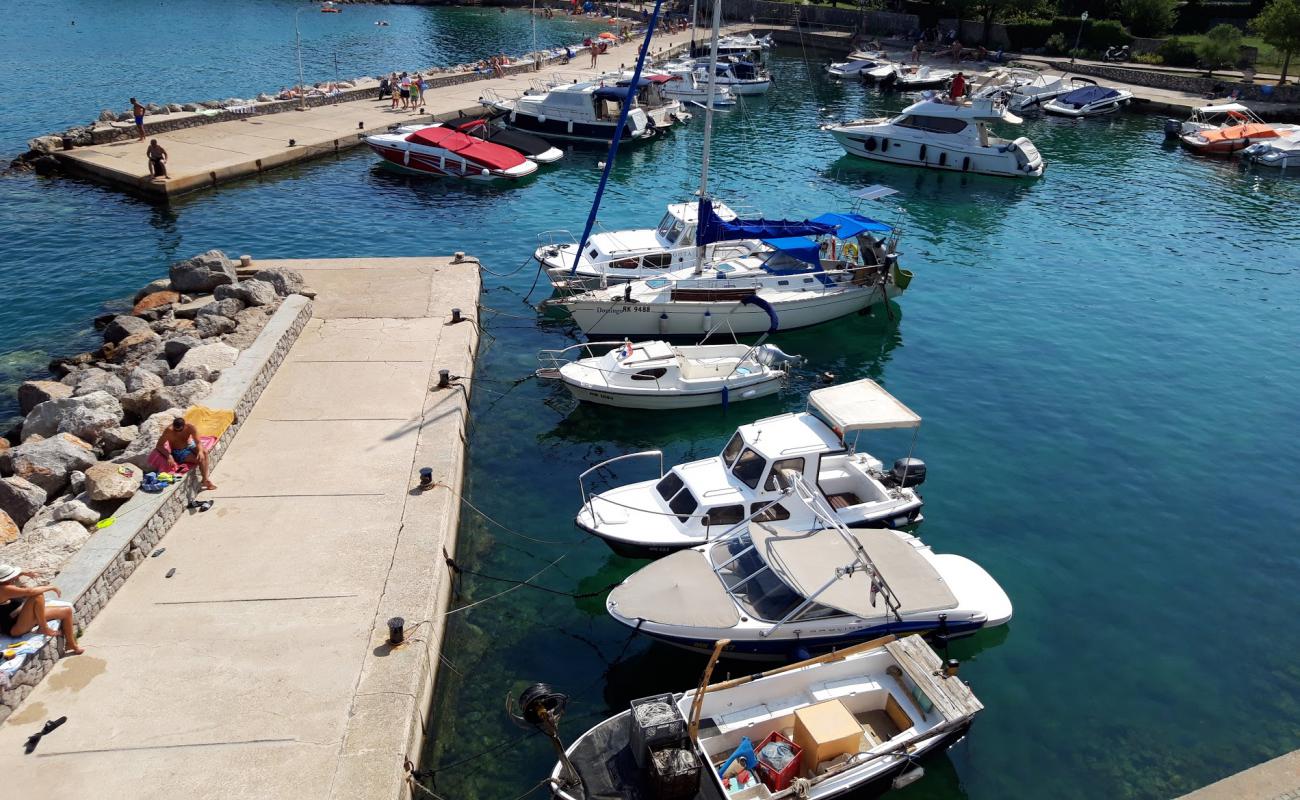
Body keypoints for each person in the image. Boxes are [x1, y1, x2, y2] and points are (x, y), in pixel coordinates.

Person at [0, 565, 83, 655]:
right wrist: (51, 587)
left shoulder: (6, 584)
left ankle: (70, 643)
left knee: (66, 611)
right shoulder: (4, 589)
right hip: (15, 628)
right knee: (37, 595)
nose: (15, 578)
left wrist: (24, 573)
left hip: (19, 616)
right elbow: (30, 592)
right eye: (13, 576)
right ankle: (44, 628)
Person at [155, 415, 217, 491]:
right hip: (179, 451)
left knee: (204, 453)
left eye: (180, 430)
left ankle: (205, 480)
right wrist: (169, 456)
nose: (177, 431)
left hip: (190, 445)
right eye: (175, 429)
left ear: (184, 426)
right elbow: (159, 446)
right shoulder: (169, 431)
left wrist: (200, 451)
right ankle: (205, 480)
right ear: (173, 426)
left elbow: (198, 442)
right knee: (199, 460)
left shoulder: (190, 427)